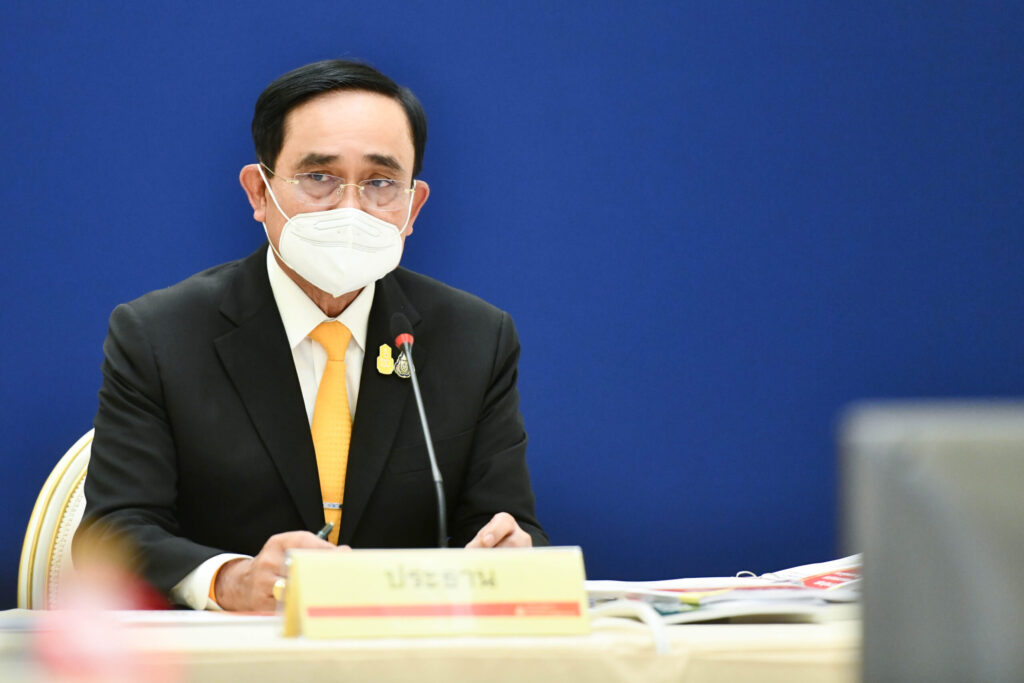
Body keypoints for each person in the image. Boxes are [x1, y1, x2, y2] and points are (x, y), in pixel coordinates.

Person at [74, 59, 547, 611]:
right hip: (236, 644)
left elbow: (508, 527)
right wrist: (231, 580)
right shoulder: (161, 335)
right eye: (319, 177)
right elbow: (113, 529)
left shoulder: (474, 339)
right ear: (259, 192)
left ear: (413, 206)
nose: (350, 208)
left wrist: (509, 553)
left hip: (404, 645)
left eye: (380, 183)